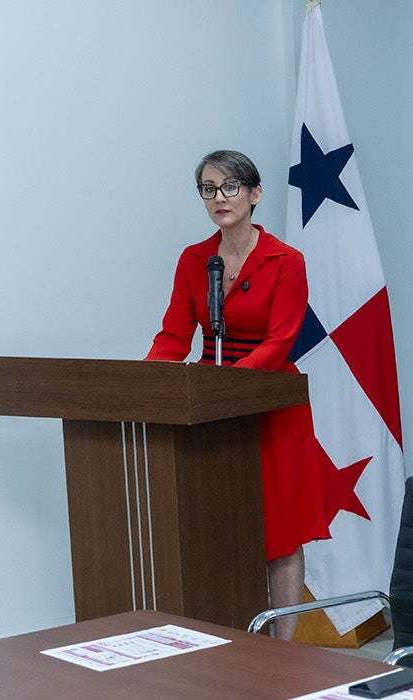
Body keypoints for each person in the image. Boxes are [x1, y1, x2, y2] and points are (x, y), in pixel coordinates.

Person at [145, 150, 328, 641]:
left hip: (268, 401)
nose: (219, 198)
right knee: (219, 522)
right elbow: (173, 336)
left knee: (280, 532)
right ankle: (229, 646)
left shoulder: (287, 261)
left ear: (254, 193)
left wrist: (225, 388)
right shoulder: (193, 259)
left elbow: (280, 341)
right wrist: (144, 383)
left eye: (229, 187)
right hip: (210, 404)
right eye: (208, 188)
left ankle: (283, 650)